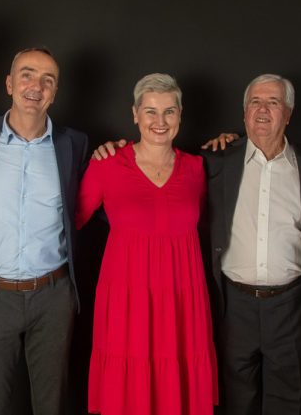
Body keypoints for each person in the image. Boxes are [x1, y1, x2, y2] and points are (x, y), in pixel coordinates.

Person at [0, 48, 88, 415]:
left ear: (55, 92)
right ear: (9, 84)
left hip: (53, 296)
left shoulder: (75, 144)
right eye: (27, 75)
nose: (36, 86)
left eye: (48, 80)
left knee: (52, 405)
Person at [76, 73, 218, 415]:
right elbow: (69, 221)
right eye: (150, 111)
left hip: (182, 301)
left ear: (180, 115)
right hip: (127, 301)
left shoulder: (198, 168)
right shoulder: (107, 163)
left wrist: (232, 140)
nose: (160, 121)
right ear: (135, 114)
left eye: (169, 111)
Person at [201, 74, 301, 415]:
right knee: (236, 403)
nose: (262, 110)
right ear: (244, 112)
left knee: (289, 403)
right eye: (255, 102)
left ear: (288, 114)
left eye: (273, 103)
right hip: (232, 306)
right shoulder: (215, 161)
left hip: (290, 306)